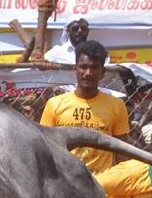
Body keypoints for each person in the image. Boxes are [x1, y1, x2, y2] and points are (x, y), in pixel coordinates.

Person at [39, 40, 131, 174]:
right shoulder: (54, 104)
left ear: (102, 72)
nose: (88, 73)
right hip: (66, 181)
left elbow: (123, 156)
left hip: (102, 183)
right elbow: (45, 150)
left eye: (94, 68)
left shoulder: (116, 105)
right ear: (75, 69)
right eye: (83, 67)